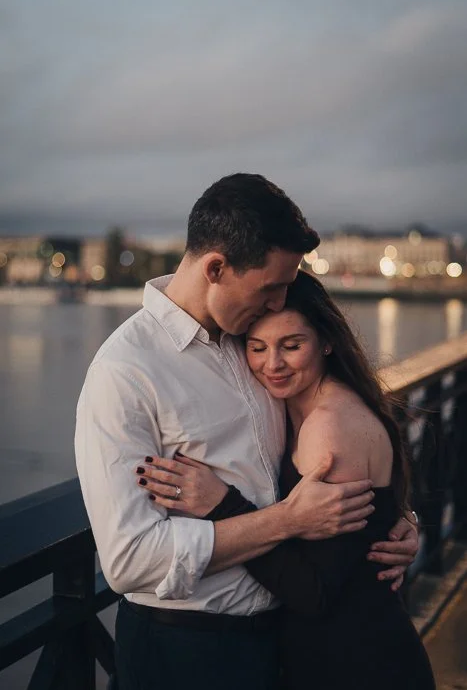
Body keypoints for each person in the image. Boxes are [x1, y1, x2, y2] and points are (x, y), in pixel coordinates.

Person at [75, 173, 419, 690]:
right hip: (185, 652)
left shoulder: (250, 341)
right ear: (216, 268)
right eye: (271, 287)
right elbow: (128, 560)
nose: (281, 304)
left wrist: (394, 518)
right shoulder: (125, 371)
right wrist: (284, 521)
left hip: (279, 641)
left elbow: (343, 432)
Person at [137, 269, 434, 690]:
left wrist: (221, 504)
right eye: (257, 348)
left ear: (326, 342)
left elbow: (312, 590)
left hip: (357, 663)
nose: (272, 364)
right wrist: (401, 514)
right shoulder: (296, 405)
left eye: (291, 346)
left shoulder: (328, 429)